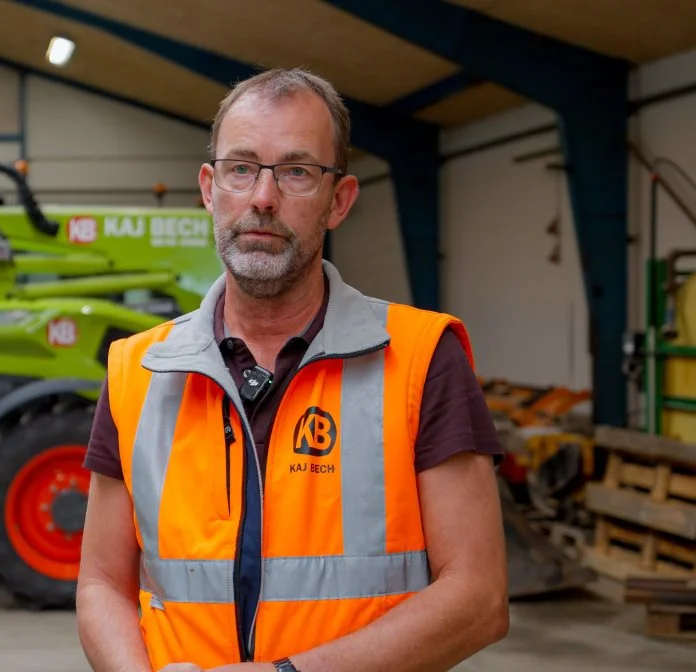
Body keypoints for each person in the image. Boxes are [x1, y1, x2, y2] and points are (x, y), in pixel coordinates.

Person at [75, 67, 509, 672]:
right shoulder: (138, 370)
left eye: (297, 171)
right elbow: (99, 584)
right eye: (242, 167)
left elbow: (478, 598)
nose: (262, 197)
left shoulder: (420, 356)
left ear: (340, 200)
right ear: (209, 188)